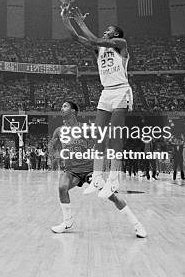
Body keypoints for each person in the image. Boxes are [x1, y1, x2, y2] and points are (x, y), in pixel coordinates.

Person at [60, 3, 132, 198]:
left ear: (116, 34)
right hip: (106, 93)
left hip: (121, 92)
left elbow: (93, 38)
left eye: (108, 30)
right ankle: (98, 177)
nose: (105, 31)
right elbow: (76, 37)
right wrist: (66, 19)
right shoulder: (98, 49)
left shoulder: (121, 45)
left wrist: (81, 21)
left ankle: (114, 179)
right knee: (99, 137)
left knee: (115, 138)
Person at [49, 101, 147, 237]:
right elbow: (52, 146)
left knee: (112, 196)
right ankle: (67, 222)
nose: (61, 108)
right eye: (62, 106)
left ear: (73, 111)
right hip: (71, 171)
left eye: (65, 106)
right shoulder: (59, 131)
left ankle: (137, 225)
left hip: (90, 170)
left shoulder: (86, 128)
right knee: (61, 188)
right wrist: (55, 156)